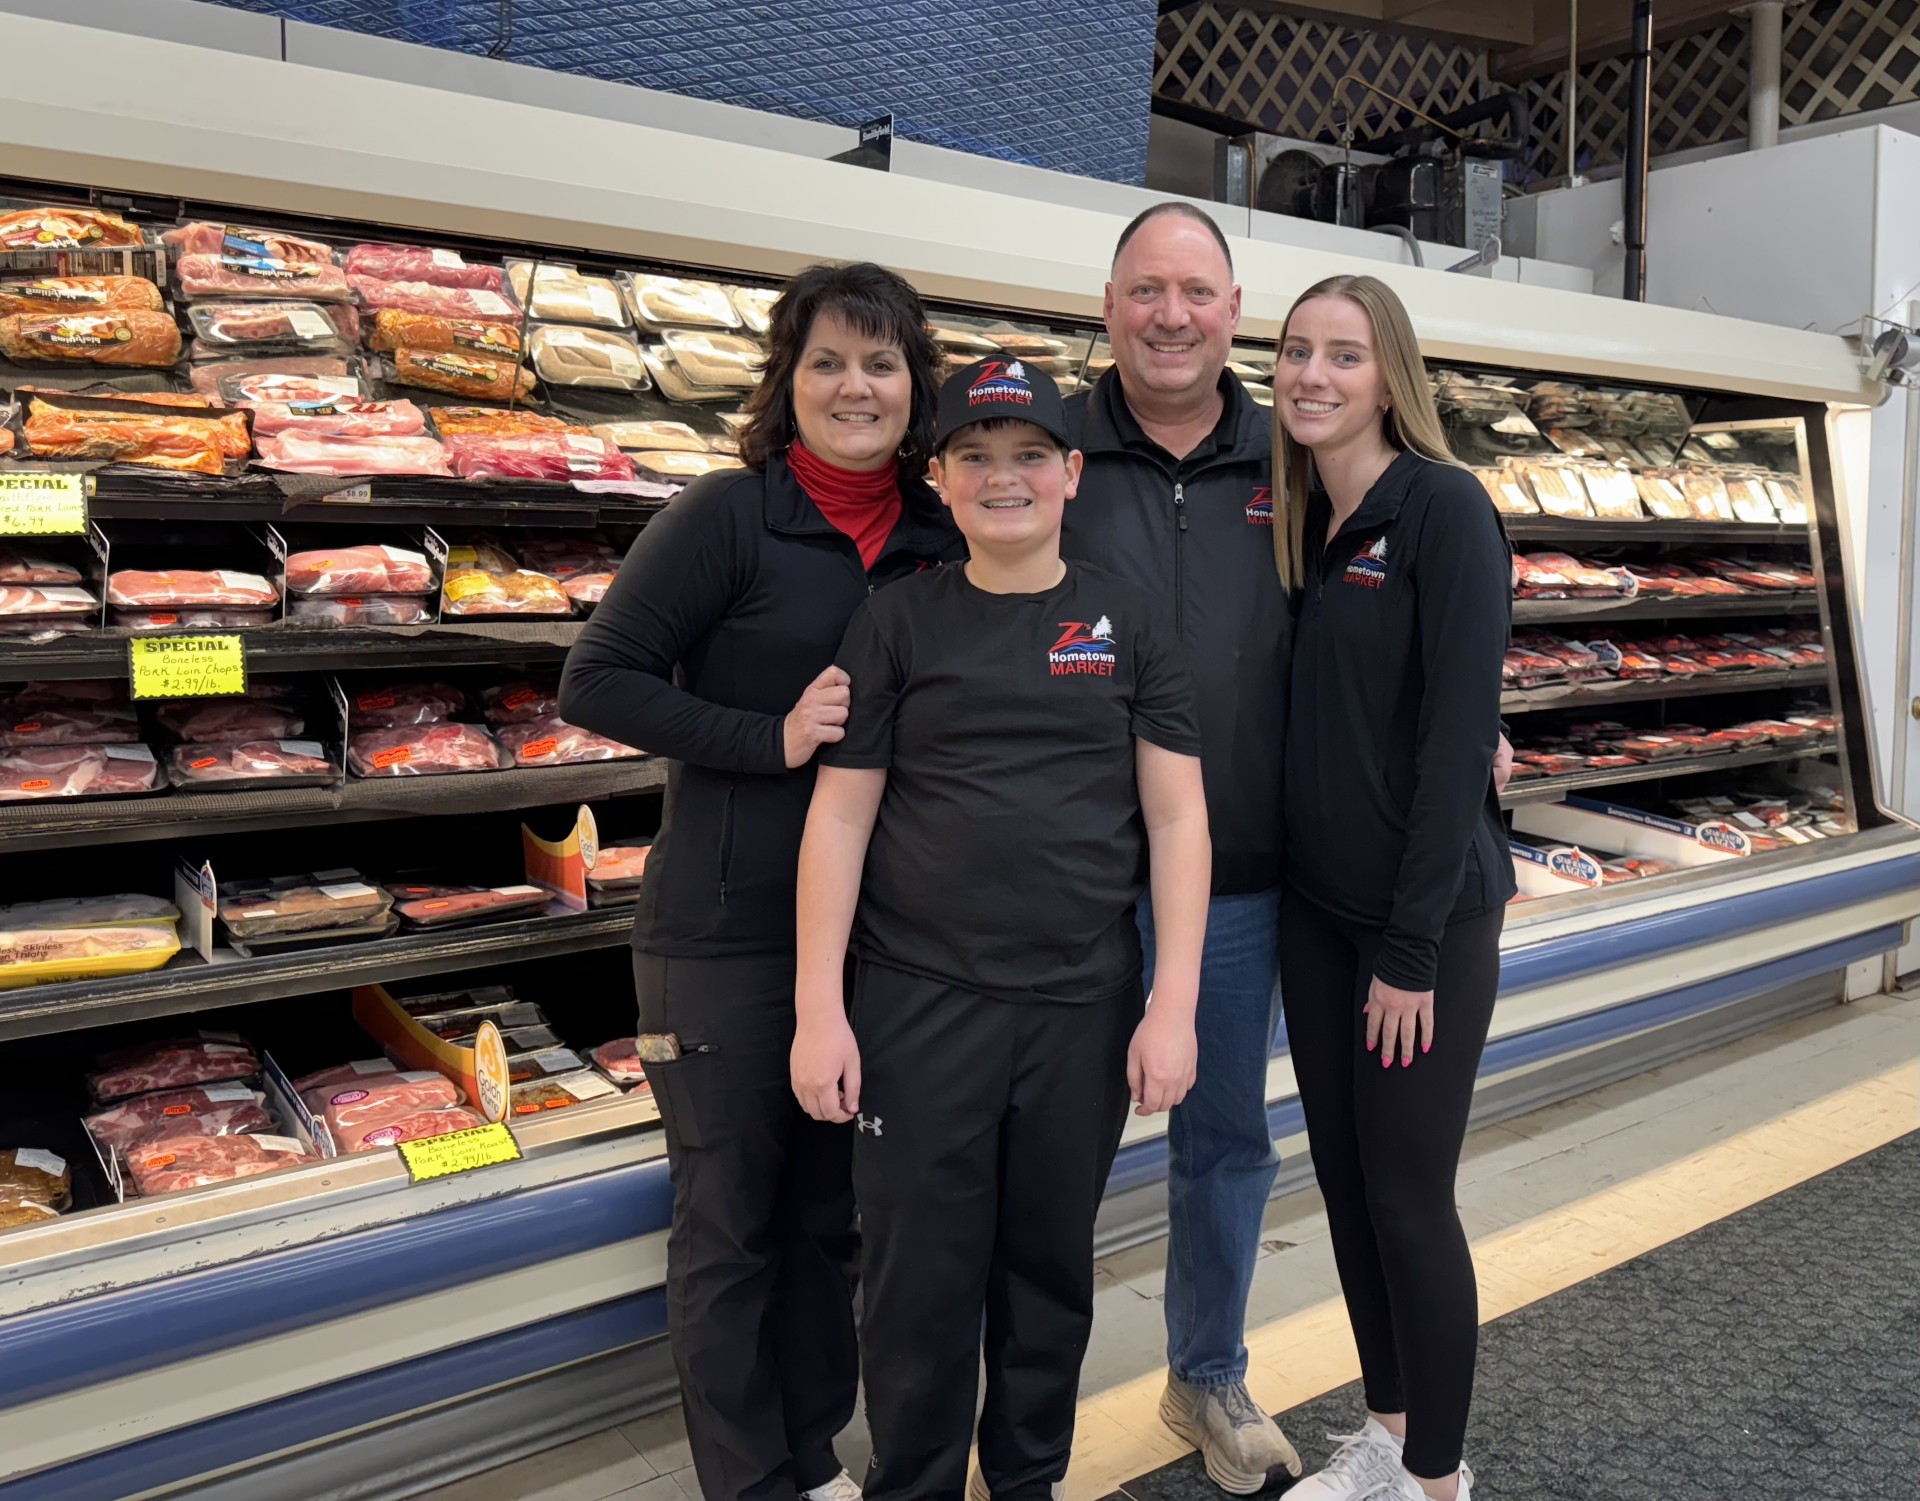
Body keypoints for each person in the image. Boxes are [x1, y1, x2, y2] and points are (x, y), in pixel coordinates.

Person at [559, 262, 965, 1501]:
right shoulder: (728, 516)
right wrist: (767, 735)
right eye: (827, 361)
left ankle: (811, 1455)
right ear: (788, 380)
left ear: (916, 386)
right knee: (730, 1227)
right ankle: (751, 1483)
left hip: (880, 942)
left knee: (828, 1221)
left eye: (881, 363)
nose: (855, 387)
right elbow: (597, 679)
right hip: (725, 934)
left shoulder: (941, 537)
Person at [790, 358, 1213, 1501]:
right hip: (917, 1004)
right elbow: (840, 817)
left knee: (1047, 1274)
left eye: (1029, 454)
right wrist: (819, 1010)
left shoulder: (1132, 622)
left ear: (1072, 472)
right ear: (939, 478)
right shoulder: (895, 621)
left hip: (1082, 1007)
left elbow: (1178, 817)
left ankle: (1028, 1481)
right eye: (974, 455)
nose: (1002, 476)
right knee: (916, 1283)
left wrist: (1173, 1006)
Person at [1057, 201, 1303, 1492]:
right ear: (1108, 307)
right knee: (1047, 1148)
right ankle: (1023, 1399)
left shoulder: (1296, 454)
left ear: (1234, 313)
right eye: (1146, 290)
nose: (1171, 315)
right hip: (1069, 878)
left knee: (1224, 1139)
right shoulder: (1048, 447)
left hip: (1240, 877)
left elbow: (1388, 604)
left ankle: (1207, 1371)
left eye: (1196, 292)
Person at [1269, 274, 1515, 1501]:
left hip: (1421, 922)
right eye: (1295, 351)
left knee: (1410, 1197)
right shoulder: (1301, 516)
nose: (1313, 375)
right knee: (1349, 1186)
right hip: (1316, 912)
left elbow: (1459, 734)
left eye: (1344, 355)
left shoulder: (1443, 507)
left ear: (1389, 379)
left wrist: (1410, 949)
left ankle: (1438, 1479)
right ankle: (1388, 1432)